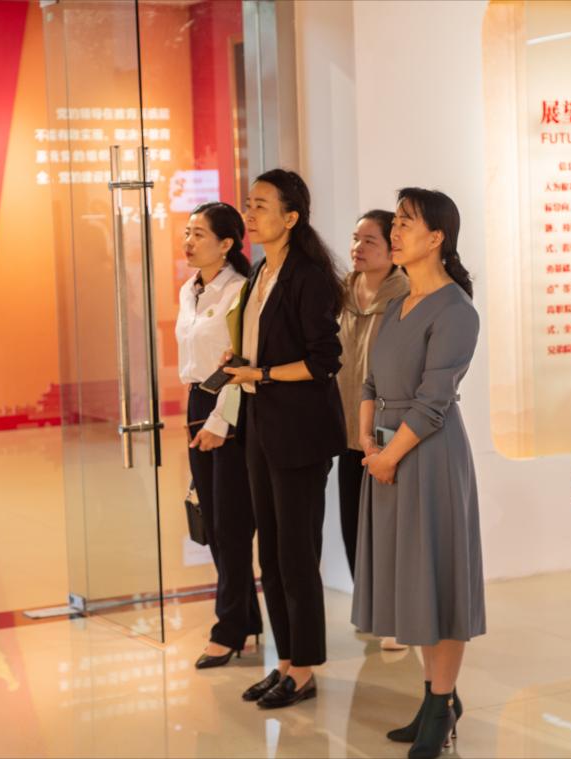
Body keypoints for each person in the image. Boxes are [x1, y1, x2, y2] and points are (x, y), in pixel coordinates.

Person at [351, 187, 485, 759]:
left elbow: (433, 403)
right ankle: (436, 699)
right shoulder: (397, 302)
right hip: (386, 451)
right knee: (415, 582)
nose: (396, 231)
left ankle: (441, 703)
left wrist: (387, 455)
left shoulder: (456, 311)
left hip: (427, 456)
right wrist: (366, 438)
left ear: (437, 238)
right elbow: (370, 380)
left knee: (440, 582)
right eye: (396, 222)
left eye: (406, 222)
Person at [223, 169, 347, 709]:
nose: (249, 214)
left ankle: (305, 667)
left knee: (297, 556)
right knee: (269, 554)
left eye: (261, 206)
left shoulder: (307, 276)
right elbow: (265, 342)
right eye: (248, 204)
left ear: (291, 217)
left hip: (300, 431)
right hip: (260, 423)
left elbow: (324, 361)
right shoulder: (259, 272)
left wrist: (263, 373)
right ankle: (285, 660)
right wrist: (241, 363)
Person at [175, 202, 262, 669]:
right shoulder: (188, 290)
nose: (188, 241)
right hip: (197, 403)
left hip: (228, 406)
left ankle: (228, 629)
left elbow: (239, 362)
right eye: (187, 232)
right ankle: (247, 619)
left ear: (226, 244)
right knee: (212, 520)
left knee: (231, 525)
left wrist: (218, 422)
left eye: (199, 234)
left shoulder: (239, 290)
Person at [336, 210, 408, 593]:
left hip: (388, 434)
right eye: (355, 239)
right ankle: (367, 606)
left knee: (387, 530)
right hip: (348, 431)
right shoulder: (342, 290)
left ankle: (391, 609)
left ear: (391, 248)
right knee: (353, 527)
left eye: (369, 241)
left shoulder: (405, 293)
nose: (358, 248)